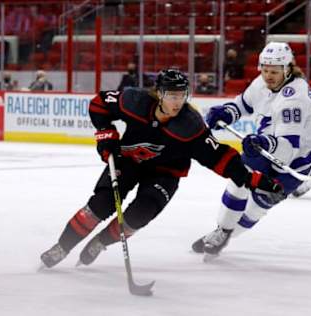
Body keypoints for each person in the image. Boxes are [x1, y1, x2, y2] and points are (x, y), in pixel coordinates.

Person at [40, 69, 283, 268]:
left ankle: (101, 242)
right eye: (171, 95)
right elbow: (100, 104)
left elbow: (217, 156)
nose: (177, 102)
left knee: (139, 214)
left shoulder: (190, 125)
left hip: (165, 173)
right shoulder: (135, 101)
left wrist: (252, 179)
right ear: (159, 94)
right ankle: (62, 247)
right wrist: (106, 135)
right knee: (101, 205)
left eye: (181, 95)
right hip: (128, 161)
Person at [191, 42, 311, 258]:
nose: (268, 76)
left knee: (256, 207)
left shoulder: (295, 99)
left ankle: (227, 234)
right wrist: (227, 112)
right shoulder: (261, 83)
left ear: (287, 69)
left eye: (274, 71)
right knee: (239, 178)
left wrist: (264, 144)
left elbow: (287, 150)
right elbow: (244, 105)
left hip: (296, 160)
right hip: (268, 143)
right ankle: (222, 231)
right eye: (264, 70)